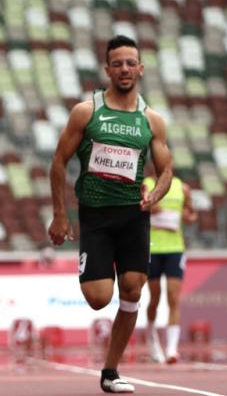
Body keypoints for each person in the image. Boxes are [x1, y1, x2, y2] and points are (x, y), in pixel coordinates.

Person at [48, 35, 172, 393]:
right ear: (107, 70)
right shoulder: (87, 112)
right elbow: (58, 162)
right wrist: (60, 214)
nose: (124, 69)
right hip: (96, 216)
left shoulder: (151, 120)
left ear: (141, 69)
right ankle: (96, 272)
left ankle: (111, 371)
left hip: (134, 215)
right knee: (99, 297)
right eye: (117, 63)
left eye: (130, 63)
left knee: (134, 288)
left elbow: (166, 170)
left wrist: (156, 194)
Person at [143, 172, 197, 363]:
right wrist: (149, 207)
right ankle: (152, 339)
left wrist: (187, 216)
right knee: (155, 297)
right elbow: (138, 209)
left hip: (175, 249)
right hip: (153, 249)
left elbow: (192, 214)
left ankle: (172, 349)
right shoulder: (147, 184)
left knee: (173, 298)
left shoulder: (182, 187)